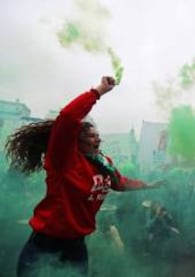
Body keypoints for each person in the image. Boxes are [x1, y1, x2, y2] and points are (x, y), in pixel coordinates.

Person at [5, 76, 163, 277]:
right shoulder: (64, 159)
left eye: (98, 135)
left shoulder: (104, 162)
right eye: (91, 135)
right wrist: (98, 92)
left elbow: (119, 183)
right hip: (47, 242)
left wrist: (148, 185)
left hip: (76, 244)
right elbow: (67, 118)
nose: (98, 138)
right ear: (75, 140)